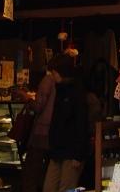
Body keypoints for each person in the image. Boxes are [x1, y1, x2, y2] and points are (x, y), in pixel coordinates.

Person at [42, 55, 89, 192]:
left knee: (66, 188)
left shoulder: (76, 91)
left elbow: (81, 122)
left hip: (71, 151)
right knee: (49, 188)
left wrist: (78, 155)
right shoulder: (60, 89)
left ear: (62, 72)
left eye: (54, 73)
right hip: (57, 150)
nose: (52, 76)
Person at [19, 57, 61, 192]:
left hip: (41, 131)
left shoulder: (48, 80)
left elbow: (38, 106)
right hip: (54, 131)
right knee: (46, 168)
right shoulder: (60, 82)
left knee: (32, 168)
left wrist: (27, 99)